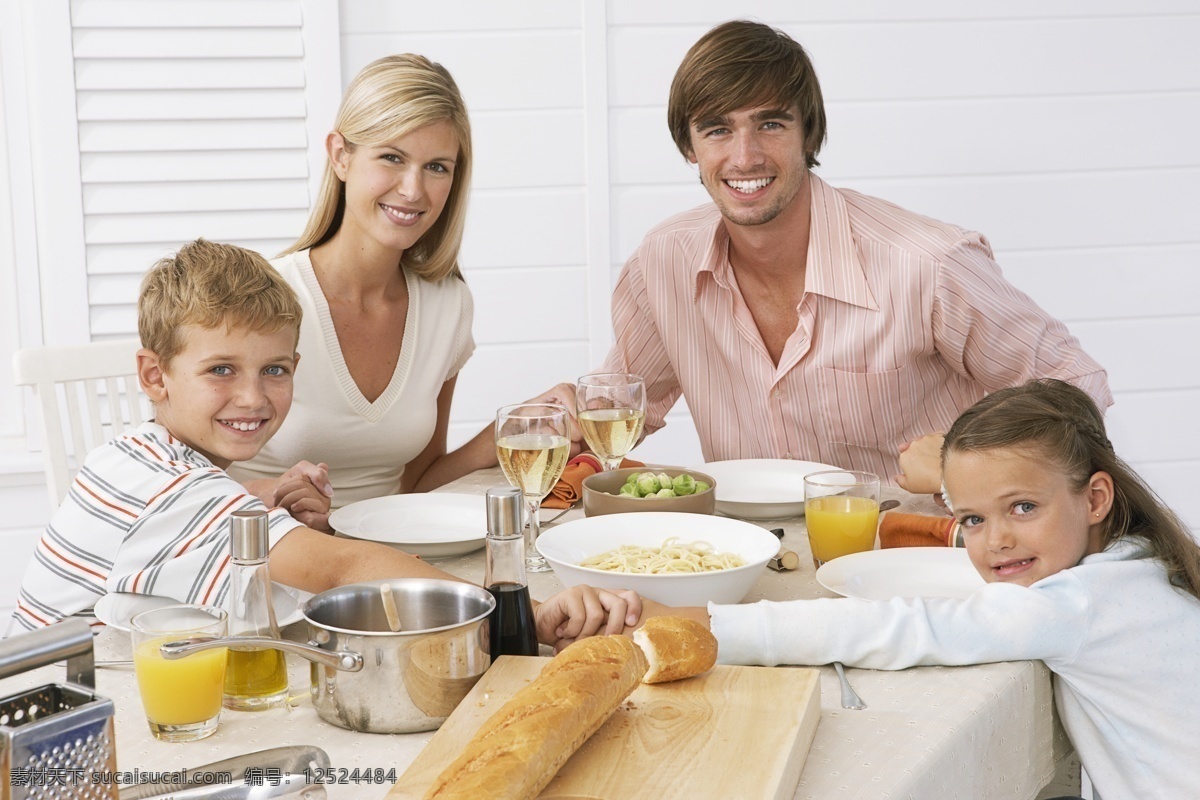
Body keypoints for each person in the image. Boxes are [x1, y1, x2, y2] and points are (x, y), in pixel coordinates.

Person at [8, 239, 639, 648]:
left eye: (275, 370)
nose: (254, 397)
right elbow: (345, 570)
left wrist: (259, 503)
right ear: (155, 376)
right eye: (221, 370)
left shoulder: (138, 458)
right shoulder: (180, 492)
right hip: (61, 733)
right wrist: (521, 609)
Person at [585, 20, 1111, 490]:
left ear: (808, 131)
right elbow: (615, 415)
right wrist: (536, 425)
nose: (744, 157)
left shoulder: (927, 263)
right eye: (717, 129)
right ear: (689, 147)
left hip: (918, 554)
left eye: (770, 124)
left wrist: (964, 460)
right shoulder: (663, 262)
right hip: (751, 560)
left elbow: (1075, 388)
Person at [637, 379, 1200, 799]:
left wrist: (700, 623)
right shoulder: (1145, 560)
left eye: (1023, 508)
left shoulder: (1072, 607)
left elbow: (900, 627)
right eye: (974, 520)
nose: (997, 540)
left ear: (1095, 499)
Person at [228, 54, 502, 526]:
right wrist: (266, 492)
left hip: (387, 557)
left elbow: (416, 486)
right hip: (268, 553)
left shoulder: (448, 306)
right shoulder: (261, 299)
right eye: (392, 157)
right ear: (340, 155)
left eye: (437, 167)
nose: (414, 190)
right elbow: (176, 473)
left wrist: (504, 435)